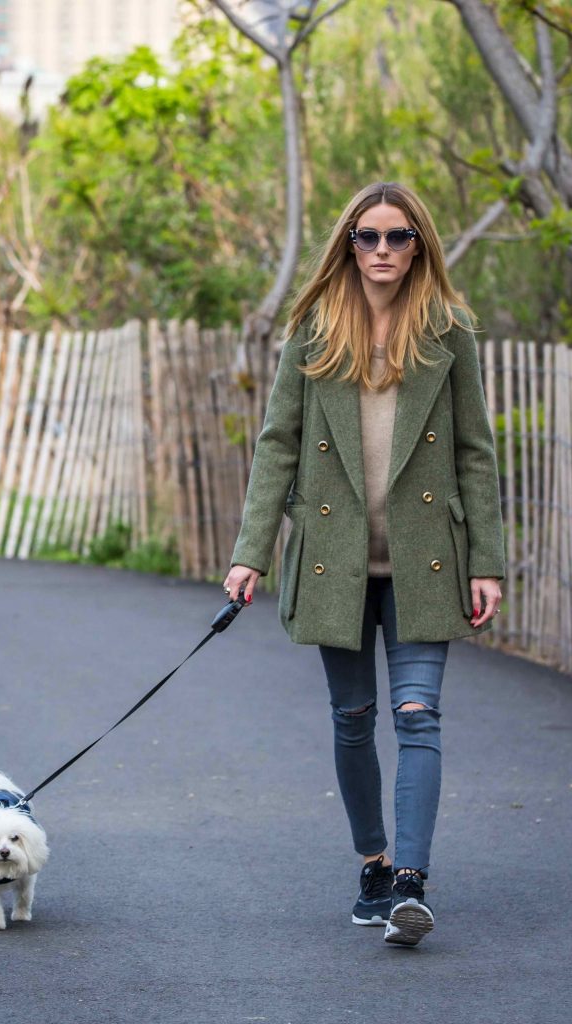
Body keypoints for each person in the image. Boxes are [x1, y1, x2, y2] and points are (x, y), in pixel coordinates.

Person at [223, 181, 505, 947]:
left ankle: (410, 883)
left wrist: (488, 561)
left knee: (417, 716)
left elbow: (475, 453)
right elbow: (277, 443)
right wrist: (251, 553)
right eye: (368, 236)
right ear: (348, 243)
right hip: (332, 562)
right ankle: (373, 864)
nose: (382, 250)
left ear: (420, 247)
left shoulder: (447, 331)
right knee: (352, 723)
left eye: (398, 237)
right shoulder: (315, 333)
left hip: (427, 559)